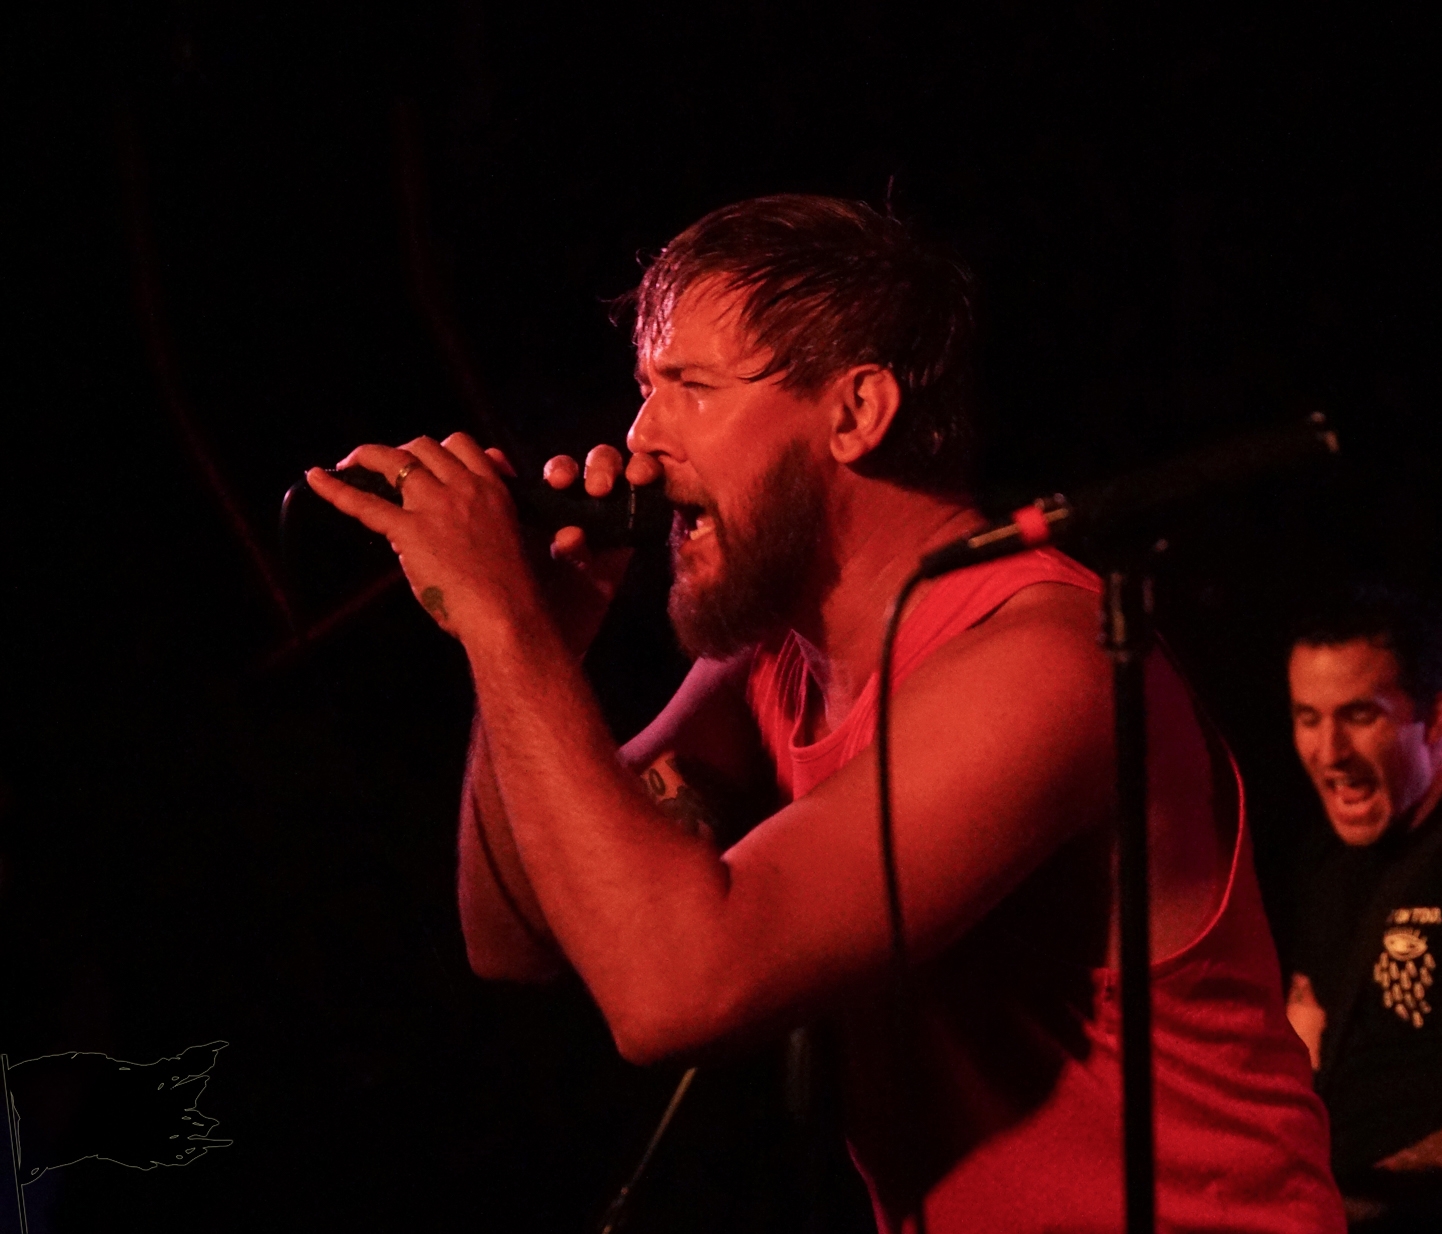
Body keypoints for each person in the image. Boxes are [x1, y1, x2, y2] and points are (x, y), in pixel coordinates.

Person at [309, 195, 1341, 1232]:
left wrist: (505, 629)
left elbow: (676, 993)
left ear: (856, 413)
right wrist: (539, 641)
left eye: (691, 388)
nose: (641, 438)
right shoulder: (774, 663)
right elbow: (513, 935)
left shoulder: (1042, 662)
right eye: (645, 389)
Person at [1286, 586, 1442, 1229]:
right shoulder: (1328, 858)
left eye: (1359, 715)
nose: (1329, 752)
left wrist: (1338, 1202)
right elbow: (1301, 1050)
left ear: (1437, 717)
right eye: (1307, 718)